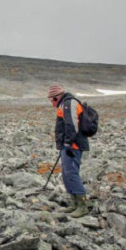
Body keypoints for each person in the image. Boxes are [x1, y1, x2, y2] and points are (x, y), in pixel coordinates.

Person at [48, 84, 90, 218]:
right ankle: (74, 204)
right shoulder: (64, 104)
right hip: (68, 146)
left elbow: (72, 124)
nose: (51, 102)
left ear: (57, 97)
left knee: (71, 173)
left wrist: (68, 143)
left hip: (73, 146)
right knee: (66, 174)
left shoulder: (69, 103)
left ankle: (82, 206)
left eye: (52, 99)